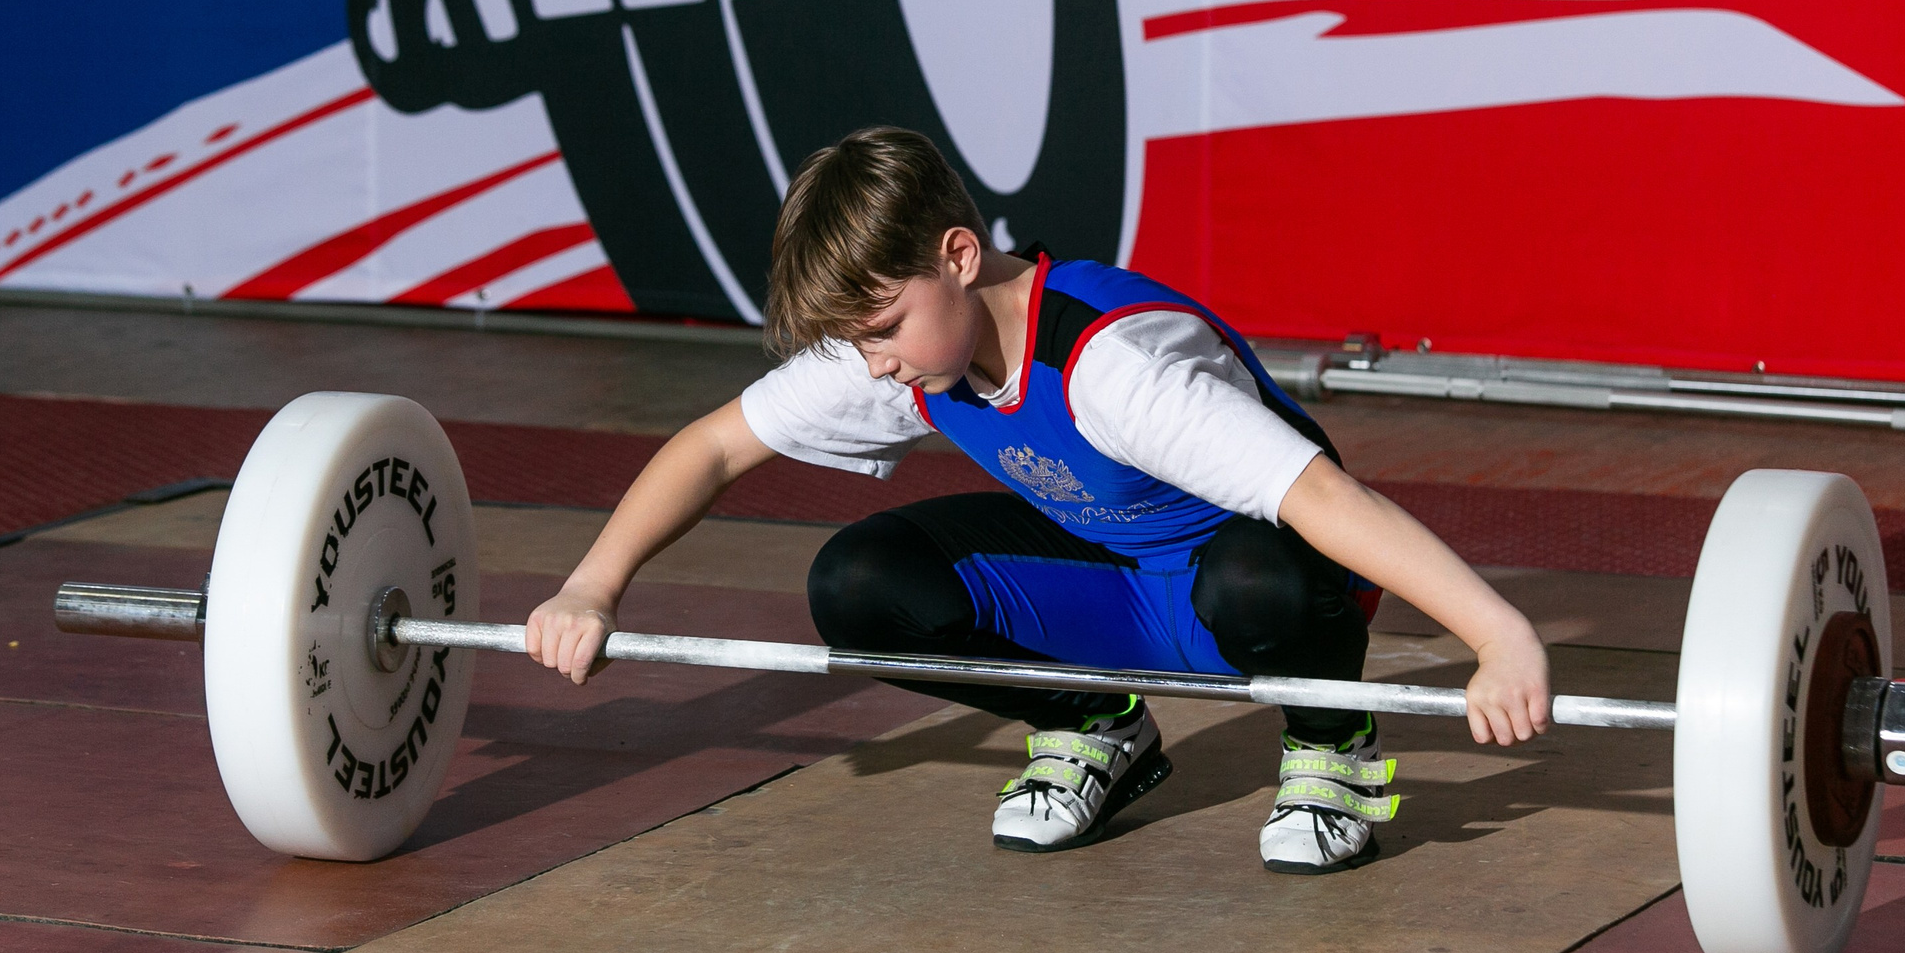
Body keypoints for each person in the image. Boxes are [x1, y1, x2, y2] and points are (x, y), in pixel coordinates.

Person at [527, 127, 1552, 874]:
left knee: (1261, 575)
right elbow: (709, 448)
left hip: (1253, 583)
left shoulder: (1114, 367)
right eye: (859, 340)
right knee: (859, 583)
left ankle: (1329, 743)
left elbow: (1324, 497)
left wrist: (1497, 639)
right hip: (1111, 580)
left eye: (880, 328)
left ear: (958, 258)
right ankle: (1094, 726)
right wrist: (592, 588)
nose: (873, 364)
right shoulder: (913, 346)